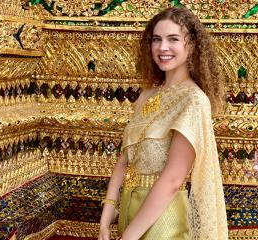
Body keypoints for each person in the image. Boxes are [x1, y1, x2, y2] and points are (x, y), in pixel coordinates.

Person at [98, 7, 228, 240]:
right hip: (128, 211)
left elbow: (172, 179)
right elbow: (123, 161)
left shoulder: (194, 101)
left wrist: (129, 236)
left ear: (192, 45)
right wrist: (106, 218)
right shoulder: (146, 96)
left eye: (173, 39)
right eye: (157, 39)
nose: (162, 47)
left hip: (163, 221)